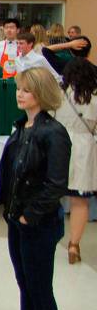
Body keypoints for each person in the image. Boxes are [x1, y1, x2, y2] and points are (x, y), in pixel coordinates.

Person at [0, 67, 69, 310]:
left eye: (26, 89)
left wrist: (29, 215)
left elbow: (55, 184)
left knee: (40, 290)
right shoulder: (23, 127)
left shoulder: (53, 133)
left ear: (41, 93)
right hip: (17, 219)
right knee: (26, 284)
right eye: (19, 89)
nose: (19, 93)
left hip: (36, 224)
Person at [53, 47, 97, 264]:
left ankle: (49, 238)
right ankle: (74, 245)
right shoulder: (95, 97)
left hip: (60, 145)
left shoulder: (59, 94)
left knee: (52, 196)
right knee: (80, 200)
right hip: (85, 148)